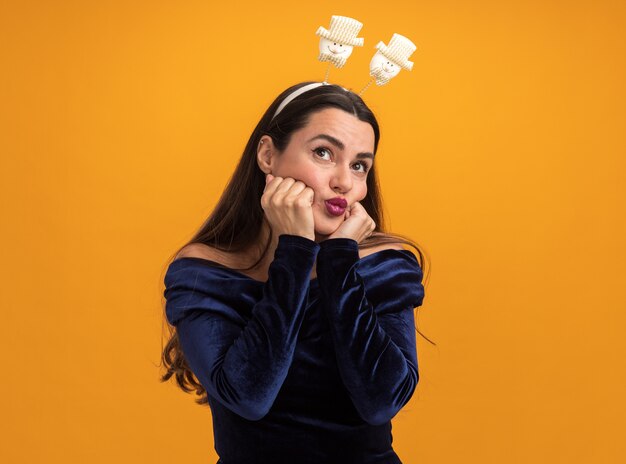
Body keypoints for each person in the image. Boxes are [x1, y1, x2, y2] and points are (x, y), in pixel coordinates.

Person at [160, 81, 431, 463]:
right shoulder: (206, 273)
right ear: (268, 155)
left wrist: (339, 261)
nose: (344, 182)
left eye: (359, 165)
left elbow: (381, 401)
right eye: (323, 153)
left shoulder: (385, 265)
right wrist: (295, 253)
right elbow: (248, 397)